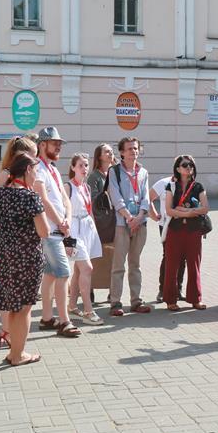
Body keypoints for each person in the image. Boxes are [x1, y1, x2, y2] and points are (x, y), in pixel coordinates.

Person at [0, 153, 48, 365]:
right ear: (28, 169)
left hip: (4, 255)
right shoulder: (31, 197)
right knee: (24, 308)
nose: (36, 176)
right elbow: (44, 231)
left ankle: (14, 352)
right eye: (35, 171)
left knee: (12, 306)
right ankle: (18, 355)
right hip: (27, 256)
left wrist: (9, 228)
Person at [34, 127, 81, 337]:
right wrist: (60, 223)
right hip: (49, 232)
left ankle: (46, 318)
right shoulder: (37, 168)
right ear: (42, 144)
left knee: (51, 274)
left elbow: (64, 198)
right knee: (64, 273)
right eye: (55, 143)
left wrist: (67, 220)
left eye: (60, 143)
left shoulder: (51, 168)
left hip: (57, 231)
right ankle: (64, 321)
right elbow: (42, 199)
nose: (59, 146)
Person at [107, 136, 152, 316]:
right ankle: (115, 302)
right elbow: (115, 197)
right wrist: (129, 218)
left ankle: (136, 301)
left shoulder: (143, 172)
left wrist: (140, 217)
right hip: (121, 223)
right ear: (122, 153)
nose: (134, 152)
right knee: (118, 265)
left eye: (136, 148)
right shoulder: (115, 172)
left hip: (140, 223)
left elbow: (146, 198)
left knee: (136, 264)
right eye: (130, 149)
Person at [162, 155, 210, 311]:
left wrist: (185, 211)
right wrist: (189, 213)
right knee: (172, 266)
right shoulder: (171, 186)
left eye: (191, 165)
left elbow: (205, 208)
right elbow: (169, 210)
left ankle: (196, 299)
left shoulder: (198, 186)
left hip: (193, 231)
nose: (189, 167)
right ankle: (170, 300)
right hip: (175, 231)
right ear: (178, 168)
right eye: (185, 165)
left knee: (194, 265)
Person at [64, 153, 104, 326]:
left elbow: (90, 211)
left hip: (87, 228)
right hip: (73, 230)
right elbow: (62, 211)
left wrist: (94, 231)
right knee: (87, 268)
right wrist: (67, 238)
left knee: (79, 270)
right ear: (73, 168)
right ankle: (88, 310)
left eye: (86, 165)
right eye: (80, 165)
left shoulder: (86, 187)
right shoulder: (68, 186)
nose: (84, 168)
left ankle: (72, 306)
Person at [87, 143, 116, 304]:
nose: (110, 153)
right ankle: (90, 288)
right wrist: (107, 195)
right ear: (99, 156)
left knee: (114, 257)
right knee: (97, 256)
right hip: (100, 222)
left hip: (115, 220)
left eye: (111, 151)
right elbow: (92, 200)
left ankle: (113, 292)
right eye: (107, 151)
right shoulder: (95, 176)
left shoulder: (115, 173)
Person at [149, 172, 184, 303]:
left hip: (185, 225)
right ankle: (162, 290)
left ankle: (178, 290)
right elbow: (148, 198)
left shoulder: (190, 184)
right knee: (169, 256)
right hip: (167, 225)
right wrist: (153, 214)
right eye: (182, 165)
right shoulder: (163, 183)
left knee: (182, 258)